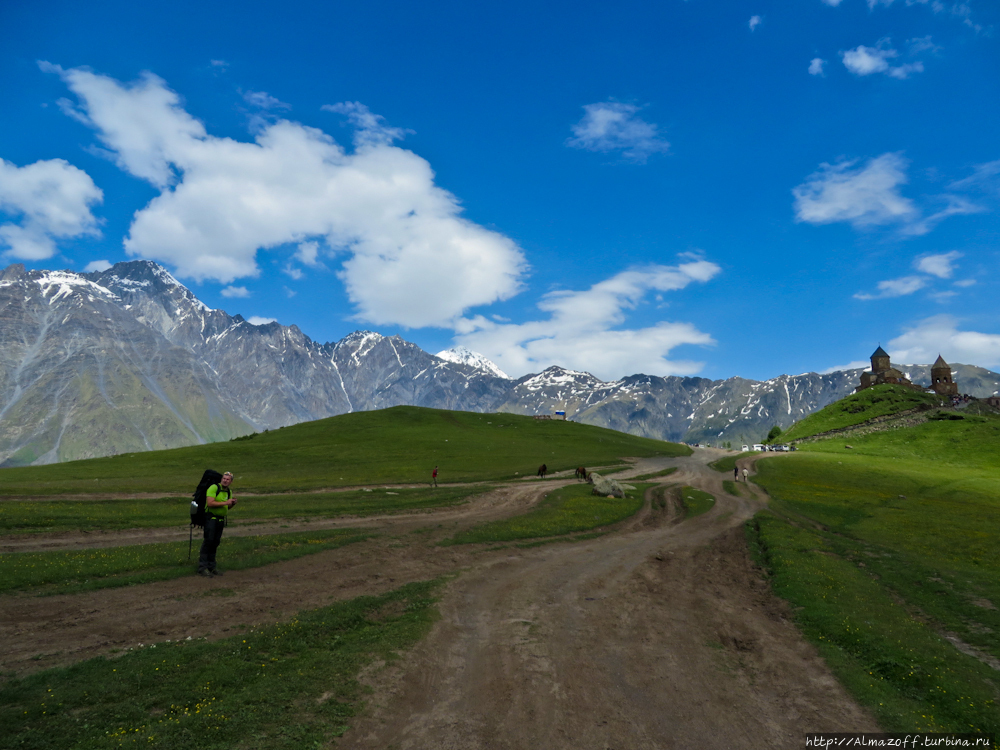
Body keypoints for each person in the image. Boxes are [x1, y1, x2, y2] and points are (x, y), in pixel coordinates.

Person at [198, 471, 237, 577]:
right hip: (211, 519)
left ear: (231, 481)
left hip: (220, 520)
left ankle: (212, 567)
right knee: (208, 541)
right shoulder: (214, 488)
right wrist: (226, 502)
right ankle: (202, 567)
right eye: (224, 478)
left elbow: (227, 507)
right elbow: (210, 503)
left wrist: (232, 504)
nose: (225, 480)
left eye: (227, 479)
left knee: (215, 542)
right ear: (221, 479)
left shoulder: (229, 492)